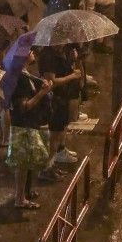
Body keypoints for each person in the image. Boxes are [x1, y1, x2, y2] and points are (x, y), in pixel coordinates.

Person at [8, 50, 53, 209]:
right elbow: (24, 107)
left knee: (27, 162)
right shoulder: (21, 79)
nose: (32, 51)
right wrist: (43, 93)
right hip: (23, 125)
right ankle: (20, 199)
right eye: (29, 51)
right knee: (22, 165)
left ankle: (24, 193)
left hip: (29, 124)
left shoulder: (26, 76)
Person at [37, 43, 82, 180]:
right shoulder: (49, 57)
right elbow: (52, 81)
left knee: (58, 133)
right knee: (54, 135)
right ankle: (46, 167)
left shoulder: (60, 53)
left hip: (62, 99)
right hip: (54, 101)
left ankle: (51, 164)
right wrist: (72, 77)